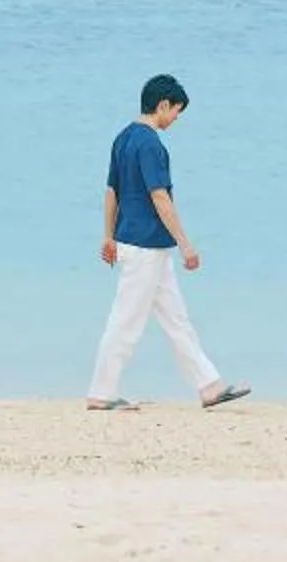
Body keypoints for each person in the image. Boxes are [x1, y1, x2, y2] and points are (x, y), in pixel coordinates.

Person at [85, 73, 252, 411]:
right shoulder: (149, 143)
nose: (176, 118)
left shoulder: (122, 139)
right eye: (176, 111)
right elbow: (159, 196)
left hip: (143, 246)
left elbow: (110, 191)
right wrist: (186, 244)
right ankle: (101, 393)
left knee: (176, 320)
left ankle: (209, 385)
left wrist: (107, 236)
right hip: (145, 245)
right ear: (162, 105)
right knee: (126, 321)